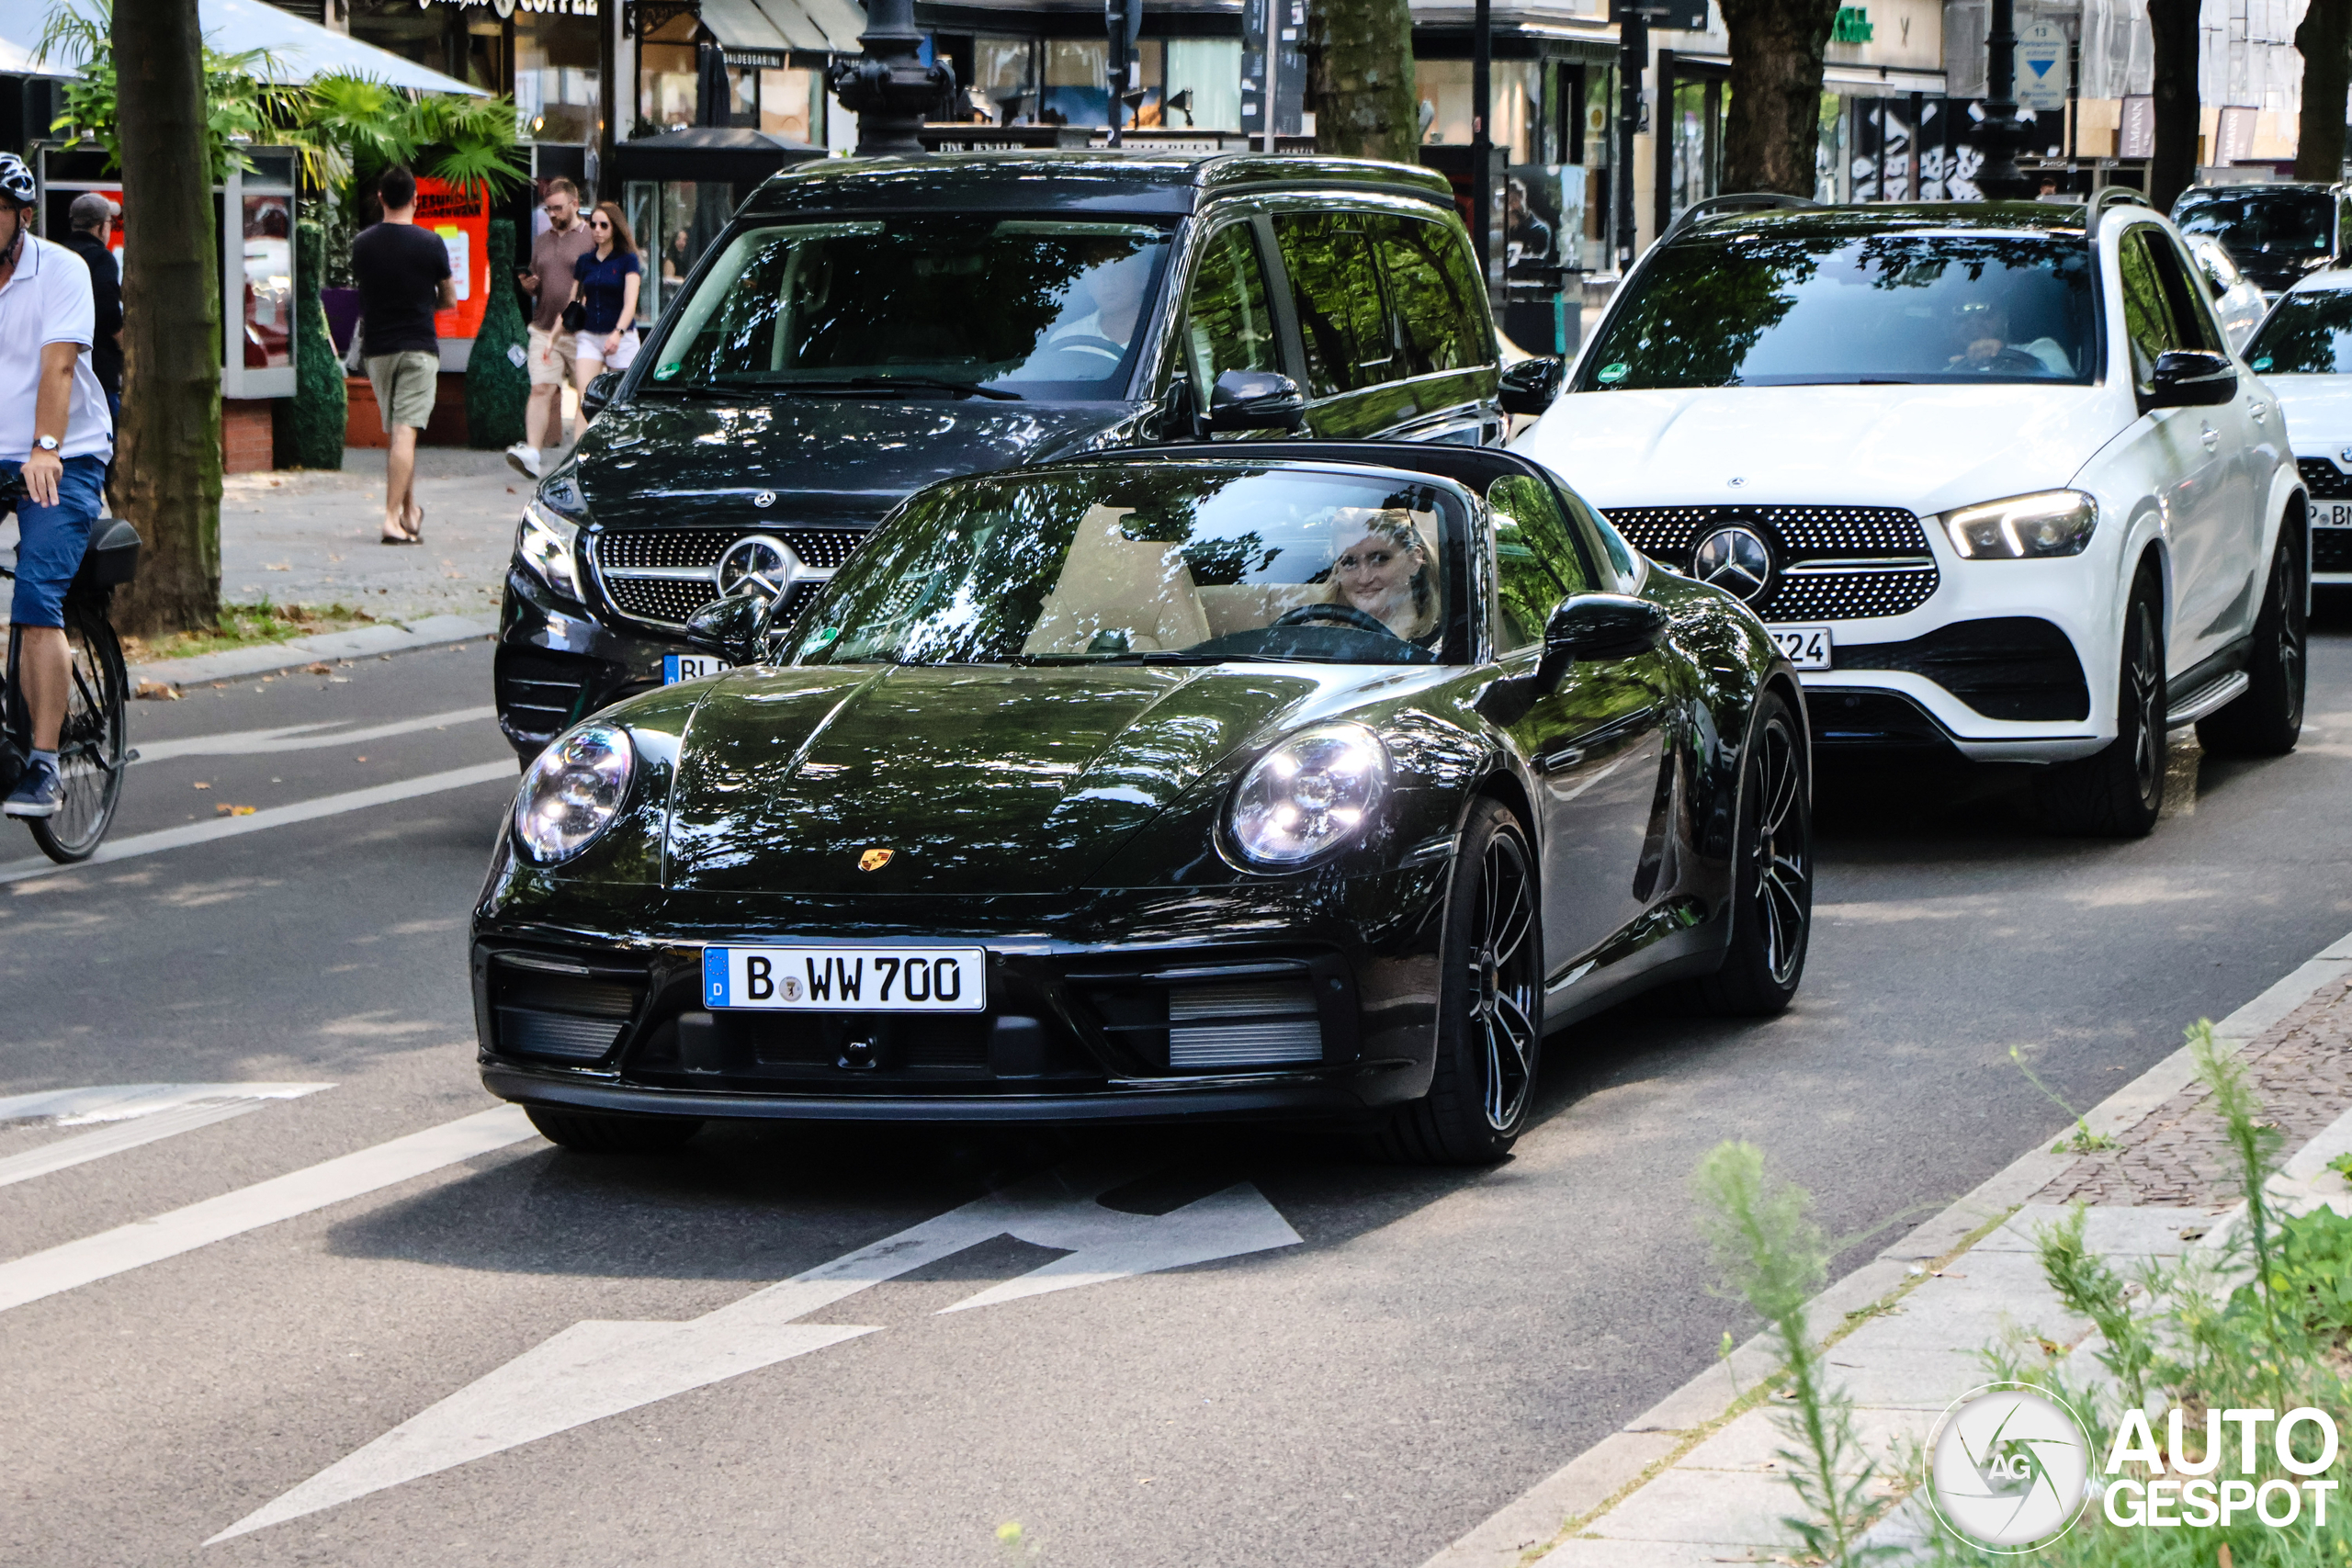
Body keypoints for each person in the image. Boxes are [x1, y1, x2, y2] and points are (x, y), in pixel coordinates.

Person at [0, 153, 116, 818]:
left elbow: (60, 368)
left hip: (64, 455)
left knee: (37, 590)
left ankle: (44, 762)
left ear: (24, 216)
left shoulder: (63, 269)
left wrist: (44, 447)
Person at [349, 165, 454, 545]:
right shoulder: (431, 244)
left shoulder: (363, 244)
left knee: (398, 434)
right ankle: (392, 519)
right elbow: (449, 298)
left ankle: (410, 512)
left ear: (380, 198)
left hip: (378, 349)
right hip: (419, 346)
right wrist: (425, 304)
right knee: (405, 434)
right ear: (416, 199)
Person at [509, 178, 593, 479]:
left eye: (558, 208)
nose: (552, 214)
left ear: (575, 204)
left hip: (581, 331)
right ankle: (532, 453)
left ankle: (582, 457)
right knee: (541, 387)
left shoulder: (590, 237)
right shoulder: (542, 239)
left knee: (587, 396)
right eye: (548, 209)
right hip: (544, 328)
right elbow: (540, 280)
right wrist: (530, 287)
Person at [1324, 510, 1442, 645]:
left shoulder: (1451, 645)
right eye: (1349, 562)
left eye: (1380, 559)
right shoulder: (1322, 643)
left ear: (1414, 561)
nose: (1364, 578)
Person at [570, 201, 642, 402]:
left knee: (622, 401)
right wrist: (557, 335)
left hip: (621, 336)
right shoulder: (585, 261)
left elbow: (630, 303)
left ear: (615, 228)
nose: (597, 230)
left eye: (604, 225)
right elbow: (573, 300)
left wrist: (618, 333)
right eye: (593, 225)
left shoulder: (627, 260)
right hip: (590, 334)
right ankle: (582, 435)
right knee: (585, 399)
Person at [60, 194, 121, 427]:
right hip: (99, 368)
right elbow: (107, 308)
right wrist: (123, 341)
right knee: (104, 434)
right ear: (99, 227)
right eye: (110, 223)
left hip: (60, 364)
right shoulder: (102, 258)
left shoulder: (59, 254)